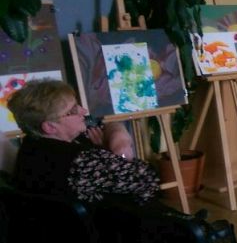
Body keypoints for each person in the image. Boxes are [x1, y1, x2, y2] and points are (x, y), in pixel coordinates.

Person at [7, 80, 160, 205]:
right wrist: (115, 154)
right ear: (50, 127)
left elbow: (104, 126)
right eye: (73, 110)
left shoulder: (32, 144)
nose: (83, 111)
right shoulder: (80, 162)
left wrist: (118, 136)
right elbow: (149, 177)